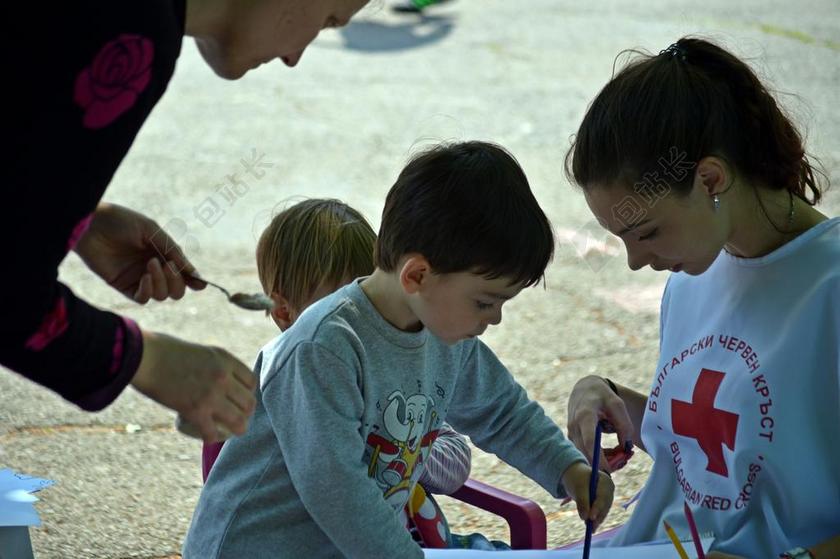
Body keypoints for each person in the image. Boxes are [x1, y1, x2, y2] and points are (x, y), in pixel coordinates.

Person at [183, 141, 614, 558]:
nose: (494, 319)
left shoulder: (446, 336)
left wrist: (568, 469)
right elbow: (337, 491)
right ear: (417, 276)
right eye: (485, 302)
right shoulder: (323, 347)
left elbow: (502, 412)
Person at [3, 0, 369, 442]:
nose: (295, 57)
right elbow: (11, 298)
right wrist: (149, 362)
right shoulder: (130, 30)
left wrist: (81, 221)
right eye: (328, 20)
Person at [563, 37, 839, 559]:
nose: (635, 261)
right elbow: (708, 449)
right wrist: (609, 396)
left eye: (645, 232)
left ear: (711, 179)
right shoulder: (692, 278)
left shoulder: (830, 287)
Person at [198, 198, 474, 548]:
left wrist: (401, 450)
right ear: (284, 312)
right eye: (338, 308)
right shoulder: (294, 381)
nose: (361, 318)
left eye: (367, 301)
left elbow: (456, 459)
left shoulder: (389, 371)